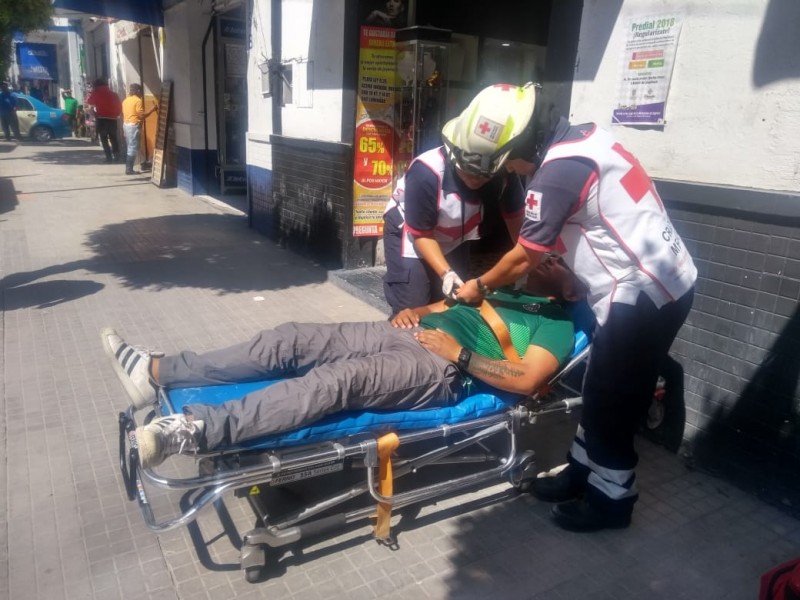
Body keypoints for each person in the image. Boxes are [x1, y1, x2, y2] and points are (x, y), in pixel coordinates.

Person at [455, 93, 697, 532]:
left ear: (524, 148)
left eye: (506, 162)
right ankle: (581, 470)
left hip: (644, 295)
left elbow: (525, 254)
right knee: (601, 386)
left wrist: (481, 285)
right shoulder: (583, 141)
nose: (507, 170)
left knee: (611, 397)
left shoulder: (559, 172)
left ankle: (612, 499)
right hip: (659, 283)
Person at [102, 256, 586, 469]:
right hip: (412, 336)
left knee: (338, 382)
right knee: (288, 340)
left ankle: (195, 430)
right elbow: (447, 308)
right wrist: (414, 312)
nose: (551, 258)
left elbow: (527, 380)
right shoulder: (502, 288)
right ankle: (155, 372)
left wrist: (456, 353)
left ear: (571, 289)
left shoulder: (558, 323)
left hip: (442, 369)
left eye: (562, 263)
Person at [382, 82, 538, 317]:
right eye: (467, 171)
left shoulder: (505, 174)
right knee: (413, 308)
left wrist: (527, 266)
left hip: (455, 238)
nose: (474, 179)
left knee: (454, 304)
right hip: (412, 236)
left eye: (482, 175)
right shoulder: (426, 173)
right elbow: (422, 234)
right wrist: (446, 273)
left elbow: (518, 225)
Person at [121, 83, 157, 175]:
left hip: (126, 125)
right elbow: (141, 115)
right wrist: (152, 110)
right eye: (141, 91)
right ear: (137, 91)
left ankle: (142, 163)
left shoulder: (125, 100)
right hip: (133, 125)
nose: (141, 94)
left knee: (132, 146)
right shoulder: (137, 101)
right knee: (133, 147)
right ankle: (129, 169)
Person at [86, 78, 122, 163]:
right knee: (113, 138)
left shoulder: (96, 93)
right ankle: (116, 155)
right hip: (113, 119)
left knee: (104, 139)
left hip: (102, 119)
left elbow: (89, 101)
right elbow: (120, 107)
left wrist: (91, 92)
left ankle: (108, 158)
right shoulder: (114, 94)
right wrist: (115, 114)